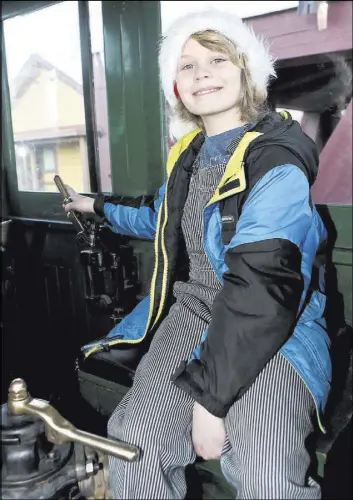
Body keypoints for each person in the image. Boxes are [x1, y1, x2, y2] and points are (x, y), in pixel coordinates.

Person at [64, 8, 331, 499]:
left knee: (266, 467)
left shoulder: (275, 160)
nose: (202, 72)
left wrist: (209, 401)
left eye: (217, 58)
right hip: (191, 310)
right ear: (175, 87)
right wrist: (95, 206)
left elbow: (264, 283)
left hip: (272, 321)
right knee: (134, 440)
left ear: (246, 72)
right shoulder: (188, 155)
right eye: (186, 65)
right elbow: (161, 218)